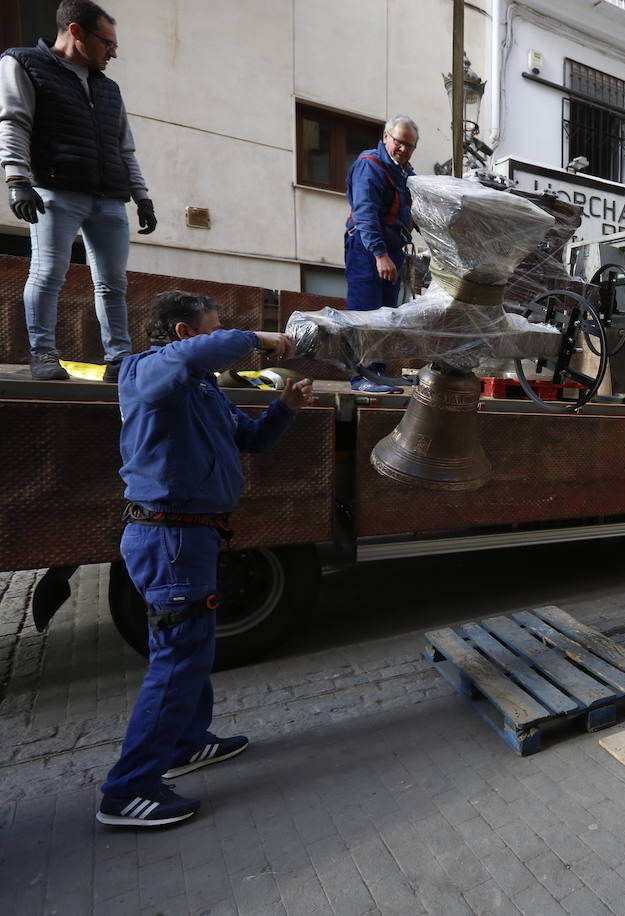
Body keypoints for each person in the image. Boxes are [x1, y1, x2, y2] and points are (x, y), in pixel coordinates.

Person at [97, 290, 314, 828]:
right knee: (177, 656)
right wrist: (261, 338)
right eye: (215, 330)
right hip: (167, 537)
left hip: (192, 537)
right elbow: (204, 353)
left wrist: (285, 409)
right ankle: (127, 791)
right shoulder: (144, 372)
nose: (226, 340)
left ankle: (188, 743)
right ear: (182, 334)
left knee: (190, 648)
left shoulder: (201, 390)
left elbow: (253, 441)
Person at [1, 0, 156, 382]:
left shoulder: (109, 89)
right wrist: (17, 179)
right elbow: (14, 121)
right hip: (55, 190)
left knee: (113, 283)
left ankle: (119, 359)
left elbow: (124, 148)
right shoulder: (24, 64)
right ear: (76, 32)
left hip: (109, 197)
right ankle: (43, 353)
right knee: (48, 272)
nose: (113, 53)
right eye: (107, 43)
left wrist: (142, 196)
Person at [344, 115, 418, 393]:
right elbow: (365, 213)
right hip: (367, 248)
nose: (403, 149)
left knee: (386, 316)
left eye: (410, 146)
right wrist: (379, 255)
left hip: (393, 250)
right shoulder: (370, 166)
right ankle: (360, 377)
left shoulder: (406, 173)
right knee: (365, 313)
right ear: (386, 137)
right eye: (399, 142)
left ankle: (376, 374)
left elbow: (414, 208)